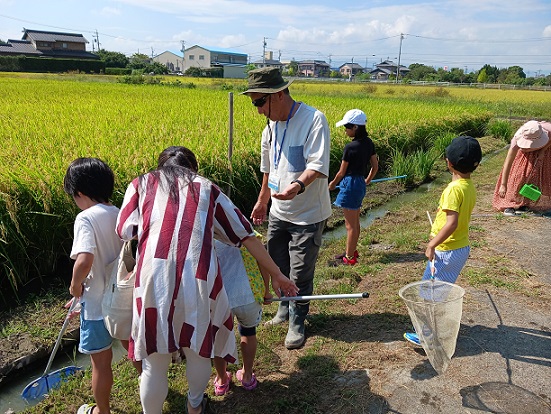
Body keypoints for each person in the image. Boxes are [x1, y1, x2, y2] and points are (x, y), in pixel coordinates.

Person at [115, 146, 297, 414]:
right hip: (199, 277)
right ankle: (195, 405)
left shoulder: (140, 184)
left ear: (161, 166)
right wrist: (279, 275)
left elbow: (124, 229)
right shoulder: (207, 188)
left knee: (155, 360)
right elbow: (245, 234)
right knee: (198, 347)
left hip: (153, 278)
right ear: (193, 168)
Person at [243, 67, 332, 350]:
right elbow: (268, 170)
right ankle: (284, 308)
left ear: (278, 95)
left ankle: (297, 321)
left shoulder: (314, 120)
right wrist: (262, 200)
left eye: (260, 102)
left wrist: (297, 186)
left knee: (300, 271)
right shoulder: (269, 128)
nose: (258, 110)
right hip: (279, 214)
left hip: (307, 214)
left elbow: (317, 165)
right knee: (278, 265)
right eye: (254, 103)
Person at [403, 136, 482, 346]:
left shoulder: (453, 190)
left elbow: (451, 223)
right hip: (459, 248)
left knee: (430, 293)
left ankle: (426, 335)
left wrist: (432, 244)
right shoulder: (468, 186)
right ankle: (430, 327)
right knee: (438, 289)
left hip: (446, 251)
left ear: (449, 162)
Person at [64, 158, 122, 414]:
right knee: (136, 352)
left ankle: (101, 411)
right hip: (123, 302)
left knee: (101, 363)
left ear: (79, 193)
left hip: (97, 307)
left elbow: (85, 260)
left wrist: (75, 286)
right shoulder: (120, 212)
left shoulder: (85, 218)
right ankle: (150, 392)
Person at [211, 235, 270, 395]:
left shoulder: (204, 235)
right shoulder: (247, 233)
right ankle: (247, 375)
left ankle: (222, 379)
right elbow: (263, 262)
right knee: (248, 333)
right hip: (248, 295)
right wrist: (266, 290)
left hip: (219, 299)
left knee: (219, 340)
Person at [329, 109, 379, 265]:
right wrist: (367, 180)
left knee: (350, 225)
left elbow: (341, 172)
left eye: (347, 127)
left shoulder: (350, 148)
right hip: (359, 184)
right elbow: (375, 166)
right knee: (355, 223)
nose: (345, 131)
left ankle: (349, 258)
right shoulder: (369, 143)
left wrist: (331, 185)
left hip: (349, 185)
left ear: (355, 127)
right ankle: (351, 251)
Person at [492, 120, 551, 216]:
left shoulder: (548, 129)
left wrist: (543, 150)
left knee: (535, 178)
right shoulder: (516, 141)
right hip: (524, 157)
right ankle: (511, 204)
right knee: (519, 177)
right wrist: (503, 184)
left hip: (544, 154)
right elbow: (508, 162)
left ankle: (525, 204)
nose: (528, 148)